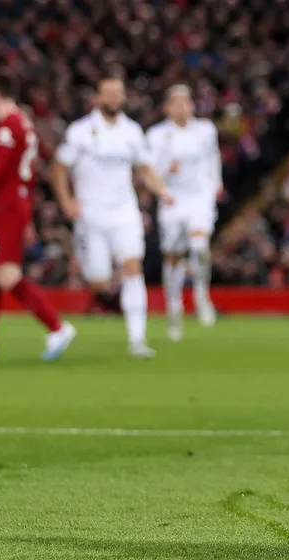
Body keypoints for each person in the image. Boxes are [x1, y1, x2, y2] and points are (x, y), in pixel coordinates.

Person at [50, 75, 174, 359]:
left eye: (119, 93)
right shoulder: (80, 131)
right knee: (98, 280)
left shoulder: (132, 131)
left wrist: (162, 191)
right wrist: (66, 200)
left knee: (133, 268)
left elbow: (144, 168)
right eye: (109, 93)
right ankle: (102, 282)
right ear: (96, 97)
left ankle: (138, 340)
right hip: (91, 214)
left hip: (123, 211)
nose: (115, 98)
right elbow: (58, 168)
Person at [0, 73, 76, 362]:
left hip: (6, 207)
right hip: (12, 204)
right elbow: (27, 173)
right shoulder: (23, 121)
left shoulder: (8, 125)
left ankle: (57, 327)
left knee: (7, 275)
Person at [146, 84, 221, 341]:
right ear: (167, 107)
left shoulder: (205, 130)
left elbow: (213, 159)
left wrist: (216, 185)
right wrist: (167, 170)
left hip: (199, 198)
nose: (182, 107)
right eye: (176, 103)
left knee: (199, 246)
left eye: (186, 102)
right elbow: (149, 171)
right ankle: (174, 308)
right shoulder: (156, 135)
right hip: (172, 201)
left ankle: (201, 293)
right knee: (174, 258)